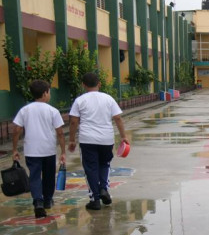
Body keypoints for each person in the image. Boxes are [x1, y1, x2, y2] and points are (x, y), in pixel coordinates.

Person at [68, 72, 130, 211]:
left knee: (90, 168)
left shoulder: (80, 100)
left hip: (87, 139)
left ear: (83, 85)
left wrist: (72, 139)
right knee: (105, 164)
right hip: (106, 139)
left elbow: (73, 121)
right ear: (99, 84)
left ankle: (94, 199)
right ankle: (104, 189)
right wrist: (123, 136)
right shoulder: (108, 99)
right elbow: (118, 118)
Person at [11, 80, 67, 218]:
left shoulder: (24, 110)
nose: (50, 94)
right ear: (45, 93)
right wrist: (63, 151)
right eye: (49, 92)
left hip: (31, 150)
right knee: (49, 176)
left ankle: (38, 202)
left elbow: (17, 130)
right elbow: (60, 132)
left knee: (34, 176)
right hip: (48, 150)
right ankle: (47, 200)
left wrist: (14, 149)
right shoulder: (53, 111)